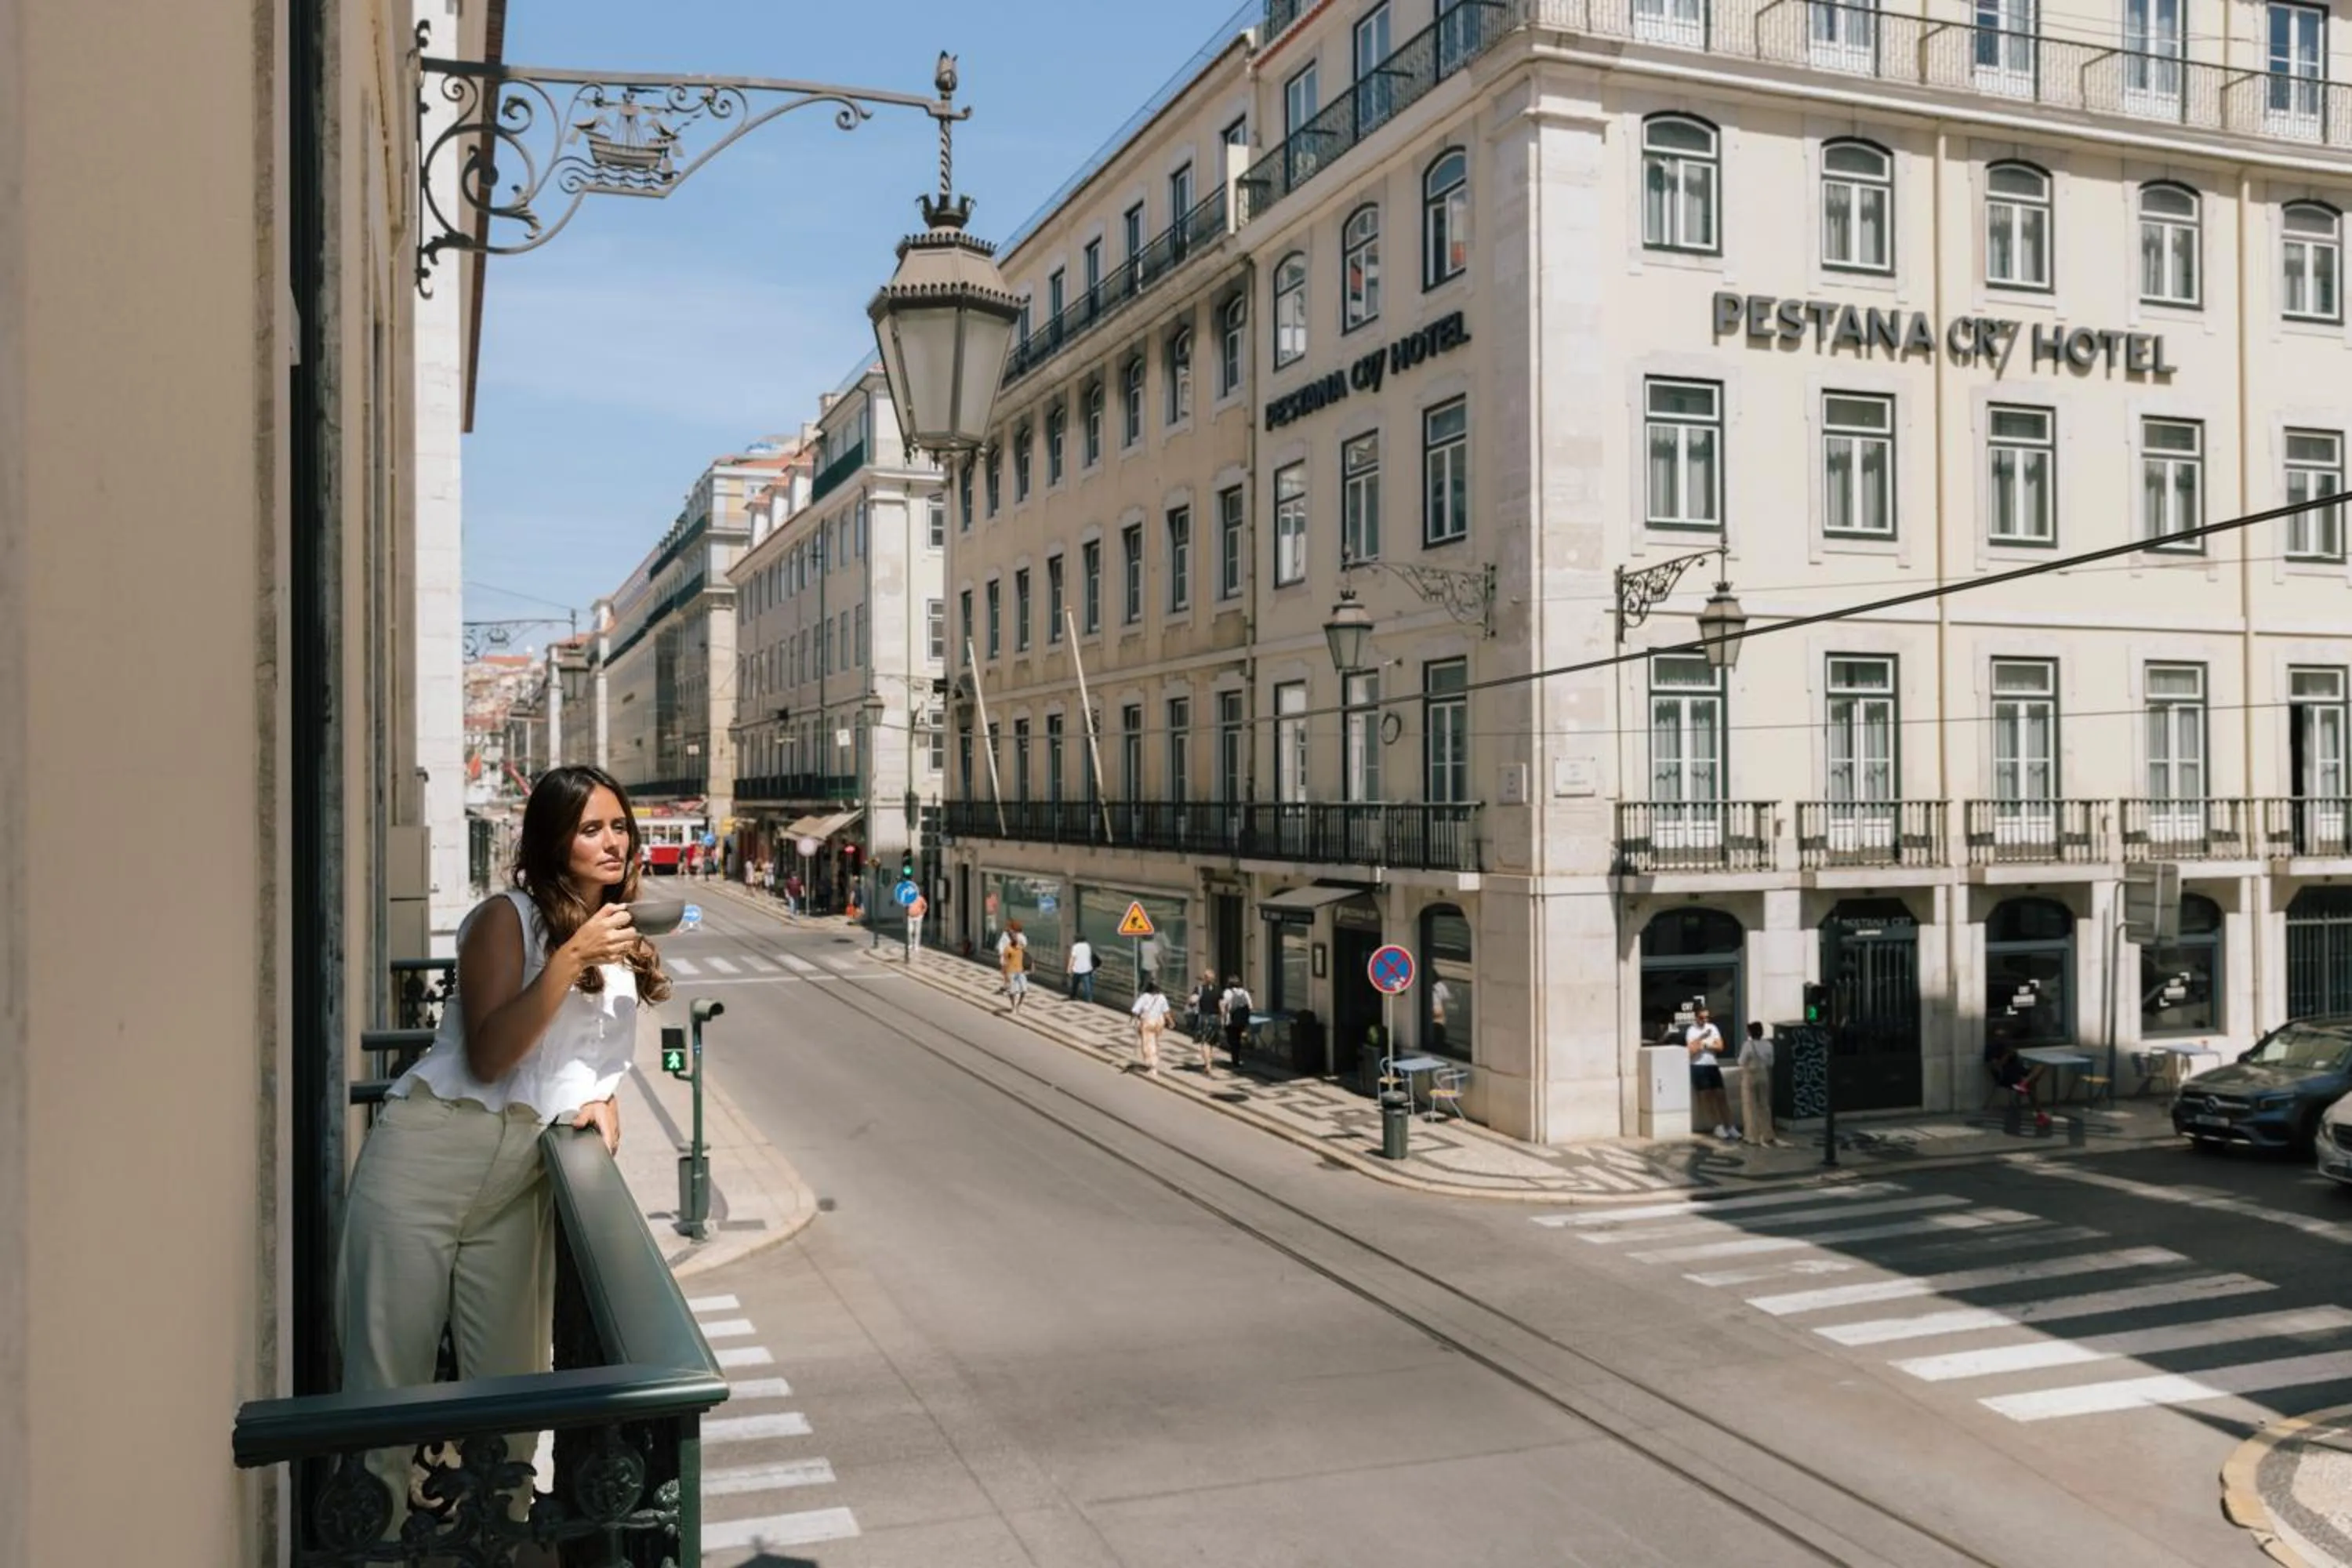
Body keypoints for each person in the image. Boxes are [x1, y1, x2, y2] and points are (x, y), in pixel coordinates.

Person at [336, 764, 670, 1530]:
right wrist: (569, 957)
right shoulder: (504, 918)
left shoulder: (617, 949)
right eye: (591, 827)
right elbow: (492, 1057)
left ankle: (501, 1546)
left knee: (517, 1405)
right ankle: (372, 1545)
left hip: (518, 1184)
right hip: (425, 1163)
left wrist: (604, 1099)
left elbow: (580, 1066)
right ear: (554, 840)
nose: (612, 840)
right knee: (387, 1393)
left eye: (619, 825)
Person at [1686, 1003, 1735, 1140]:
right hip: (1698, 1066)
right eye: (1702, 1018)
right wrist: (1701, 1040)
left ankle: (1730, 1126)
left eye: (1707, 1018)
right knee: (1707, 1097)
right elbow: (1690, 1050)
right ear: (1696, 1017)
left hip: (1712, 1065)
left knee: (1721, 1096)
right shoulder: (1692, 1030)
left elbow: (1720, 1046)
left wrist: (1705, 1045)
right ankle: (1718, 1126)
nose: (1705, 1021)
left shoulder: (1713, 1028)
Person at [1737, 1020, 1784, 1147]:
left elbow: (1741, 1061)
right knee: (1764, 1106)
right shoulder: (1768, 1045)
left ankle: (1752, 1136)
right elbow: (1771, 1063)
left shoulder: (1748, 1045)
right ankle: (1767, 1133)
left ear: (1750, 1033)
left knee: (1750, 1106)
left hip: (1750, 1076)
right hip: (1764, 1075)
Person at [1131, 977, 1171, 1076]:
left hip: (1148, 1022)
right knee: (1155, 1042)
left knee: (1148, 1044)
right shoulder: (1162, 997)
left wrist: (1134, 1019)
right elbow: (1166, 1012)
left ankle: (1152, 1065)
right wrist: (1171, 1022)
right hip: (1159, 1022)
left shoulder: (1144, 997)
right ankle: (1155, 1059)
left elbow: (1135, 1010)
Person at [1220, 973, 1255, 1068]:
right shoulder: (1245, 992)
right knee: (1238, 1039)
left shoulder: (1227, 992)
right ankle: (1237, 1058)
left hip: (1230, 1020)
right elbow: (1250, 1006)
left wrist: (1222, 1020)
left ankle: (1235, 1059)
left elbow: (1224, 1007)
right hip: (1242, 1021)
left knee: (1232, 1040)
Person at [999, 919, 1029, 1009]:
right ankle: (1013, 1005)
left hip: (1020, 970)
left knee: (1024, 990)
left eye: (1015, 935)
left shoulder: (1020, 943)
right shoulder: (1008, 946)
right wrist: (1004, 968)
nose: (1015, 937)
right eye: (1013, 936)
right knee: (1013, 990)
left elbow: (1024, 949)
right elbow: (1005, 957)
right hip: (1011, 970)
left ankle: (1018, 1005)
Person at [1066, 935, 1098, 1003]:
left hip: (1077, 969)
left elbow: (1073, 958)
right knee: (1087, 985)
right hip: (1087, 968)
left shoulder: (1076, 947)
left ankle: (1073, 996)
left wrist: (1069, 968)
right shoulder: (1087, 946)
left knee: (1075, 984)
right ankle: (1089, 999)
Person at [906, 891, 927, 960]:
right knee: (910, 931)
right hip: (910, 917)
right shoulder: (909, 899)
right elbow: (906, 906)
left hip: (918, 917)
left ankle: (916, 945)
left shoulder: (920, 898)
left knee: (917, 932)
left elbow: (925, 906)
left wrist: (922, 914)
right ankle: (911, 944)